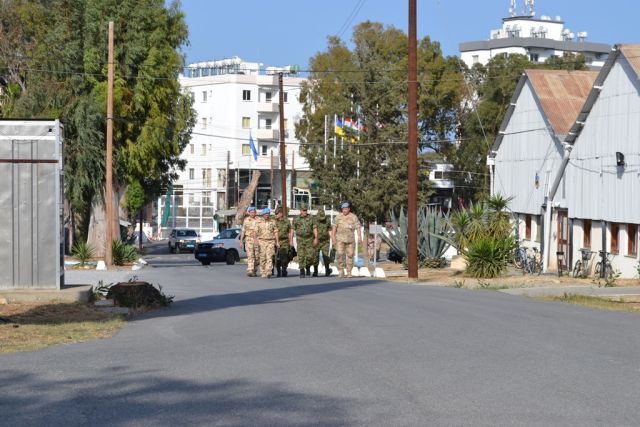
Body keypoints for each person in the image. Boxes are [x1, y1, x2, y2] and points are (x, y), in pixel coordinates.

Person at [332, 201, 362, 278]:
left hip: (350, 240)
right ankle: (341, 270)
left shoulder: (353, 217)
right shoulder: (338, 217)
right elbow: (334, 228)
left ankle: (349, 271)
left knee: (350, 255)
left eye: (346, 209)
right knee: (340, 254)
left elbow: (358, 227)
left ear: (349, 209)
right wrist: (333, 238)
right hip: (340, 239)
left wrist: (359, 237)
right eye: (343, 209)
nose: (344, 210)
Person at [292, 203, 318, 278]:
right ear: (300, 211)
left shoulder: (311, 218)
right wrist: (291, 239)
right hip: (300, 239)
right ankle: (302, 270)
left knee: (310, 256)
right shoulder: (296, 219)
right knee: (301, 255)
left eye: (306, 210)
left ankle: (307, 265)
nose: (305, 212)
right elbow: (292, 229)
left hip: (309, 239)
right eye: (303, 210)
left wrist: (316, 238)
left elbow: (314, 228)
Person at [256, 207, 279, 279]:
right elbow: (255, 233)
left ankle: (268, 271)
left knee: (269, 257)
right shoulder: (259, 222)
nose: (267, 215)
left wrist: (277, 242)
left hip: (270, 241)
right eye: (265, 214)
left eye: (268, 214)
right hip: (262, 241)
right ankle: (263, 271)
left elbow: (276, 232)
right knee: (263, 257)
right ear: (263, 215)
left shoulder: (272, 222)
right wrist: (256, 241)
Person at [311, 208, 334, 277]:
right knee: (315, 256)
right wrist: (314, 239)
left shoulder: (327, 220)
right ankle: (315, 271)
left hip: (325, 241)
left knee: (325, 256)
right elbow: (312, 230)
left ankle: (327, 271)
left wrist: (332, 238)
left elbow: (329, 230)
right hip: (316, 241)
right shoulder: (314, 220)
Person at [239, 206, 260, 277]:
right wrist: (241, 241)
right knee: (250, 255)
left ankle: (254, 269)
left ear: (255, 212)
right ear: (249, 213)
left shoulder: (259, 220)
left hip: (257, 239)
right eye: (251, 212)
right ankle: (250, 270)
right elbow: (243, 231)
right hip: (248, 239)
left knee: (257, 256)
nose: (252, 213)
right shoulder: (246, 220)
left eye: (254, 212)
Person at [274, 207, 293, 277]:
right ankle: (278, 271)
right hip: (275, 241)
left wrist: (291, 241)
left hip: (284, 241)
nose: (276, 215)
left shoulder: (287, 221)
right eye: (275, 214)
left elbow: (290, 231)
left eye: (277, 213)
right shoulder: (273, 221)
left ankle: (284, 270)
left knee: (284, 256)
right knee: (276, 257)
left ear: (281, 214)